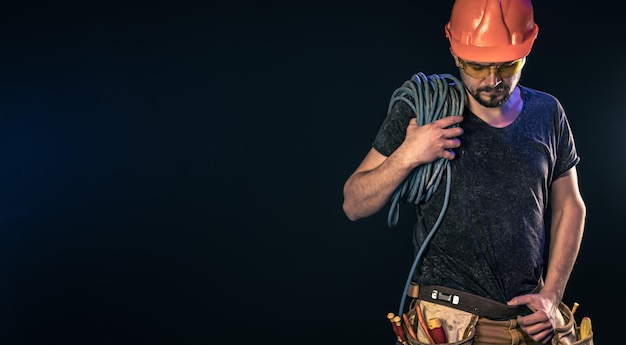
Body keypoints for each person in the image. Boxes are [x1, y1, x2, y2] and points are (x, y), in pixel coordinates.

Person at [342, 0, 588, 344]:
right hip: (449, 324)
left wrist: (552, 294)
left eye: (507, 66)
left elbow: (569, 206)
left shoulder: (548, 112)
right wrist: (408, 154)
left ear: (527, 49)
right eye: (476, 67)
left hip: (530, 325)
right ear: (456, 53)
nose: (492, 80)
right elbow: (354, 203)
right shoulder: (422, 113)